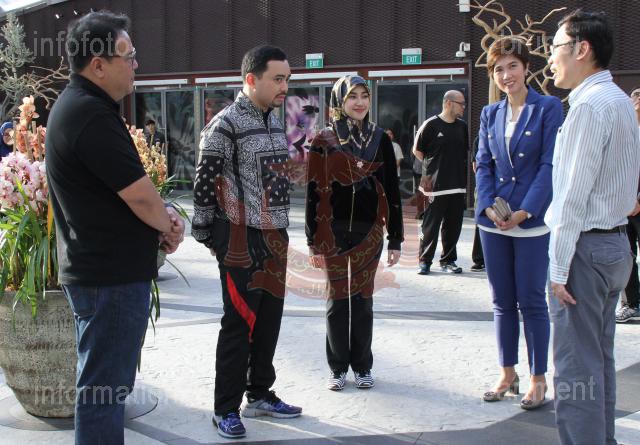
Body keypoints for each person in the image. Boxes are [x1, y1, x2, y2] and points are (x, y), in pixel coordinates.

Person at [45, 11, 185, 445]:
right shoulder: (89, 114)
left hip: (104, 276)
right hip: (109, 280)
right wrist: (168, 225)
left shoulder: (84, 108)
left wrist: (163, 216)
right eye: (129, 55)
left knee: (106, 387)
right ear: (98, 64)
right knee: (103, 392)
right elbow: (139, 195)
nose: (136, 64)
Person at [192, 44, 301, 440]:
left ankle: (259, 394)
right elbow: (205, 182)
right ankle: (225, 408)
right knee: (239, 323)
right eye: (278, 79)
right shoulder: (224, 124)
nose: (285, 87)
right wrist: (209, 234)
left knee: (269, 320)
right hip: (240, 238)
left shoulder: (275, 121)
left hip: (276, 237)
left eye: (287, 79)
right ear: (251, 79)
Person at [546, 10, 640, 444]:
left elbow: (572, 195)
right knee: (598, 360)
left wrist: (558, 268)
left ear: (582, 49)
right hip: (615, 246)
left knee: (575, 370)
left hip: (585, 249)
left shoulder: (587, 106)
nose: (551, 58)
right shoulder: (619, 100)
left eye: (556, 48)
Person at [475, 37, 563, 411]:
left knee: (531, 300)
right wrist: (487, 208)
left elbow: (550, 164)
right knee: (501, 301)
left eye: (512, 66)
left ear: (526, 67)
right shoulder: (489, 113)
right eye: (498, 69)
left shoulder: (548, 107)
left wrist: (525, 211)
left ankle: (538, 379)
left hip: (531, 221)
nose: (506, 74)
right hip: (494, 223)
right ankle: (507, 373)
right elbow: (483, 164)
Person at [306, 75, 403, 391]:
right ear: (339, 101)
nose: (360, 102)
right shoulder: (323, 139)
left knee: (362, 301)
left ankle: (362, 366)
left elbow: (392, 190)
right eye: (352, 96)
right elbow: (314, 191)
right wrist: (312, 240)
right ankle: (337, 368)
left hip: (369, 233)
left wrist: (396, 237)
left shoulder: (380, 138)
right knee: (337, 301)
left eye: (364, 95)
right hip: (332, 233)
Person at [413, 90, 468, 275]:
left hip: (457, 186)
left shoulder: (462, 127)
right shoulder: (430, 125)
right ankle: (425, 261)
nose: (464, 107)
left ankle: (448, 261)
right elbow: (417, 150)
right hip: (433, 188)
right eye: (461, 103)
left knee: (453, 226)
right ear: (449, 103)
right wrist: (432, 169)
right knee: (430, 226)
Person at [617, 85, 640, 323]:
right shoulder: (624, 134)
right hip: (624, 206)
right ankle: (631, 303)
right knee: (627, 255)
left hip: (636, 202)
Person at [470, 135, 485, 272]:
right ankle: (479, 259)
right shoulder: (480, 138)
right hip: (483, 185)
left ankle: (480, 260)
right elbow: (475, 166)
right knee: (481, 220)